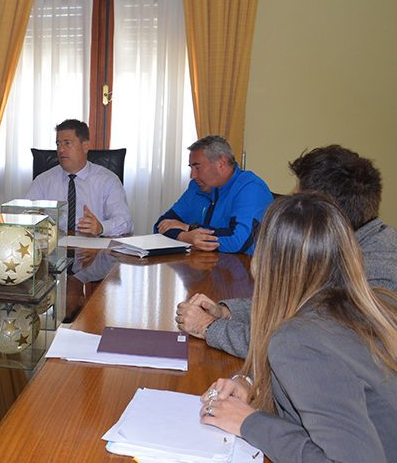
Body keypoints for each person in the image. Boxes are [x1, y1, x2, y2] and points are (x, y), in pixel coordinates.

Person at [198, 193, 397, 462]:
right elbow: (333, 377)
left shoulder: (299, 340)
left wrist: (248, 422)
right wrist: (251, 382)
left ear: (268, 263)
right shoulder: (375, 306)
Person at [177, 145, 397, 358]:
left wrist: (209, 327)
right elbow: (293, 305)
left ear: (324, 212)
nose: (292, 203)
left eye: (299, 199)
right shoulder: (336, 244)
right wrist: (226, 312)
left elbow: (301, 347)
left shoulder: (381, 272)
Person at [155, 136, 272, 254]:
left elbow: (238, 241)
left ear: (221, 164)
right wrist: (184, 236)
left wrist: (189, 228)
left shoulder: (251, 188)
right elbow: (161, 225)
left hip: (245, 264)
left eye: (197, 167)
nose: (192, 175)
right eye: (191, 168)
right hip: (206, 261)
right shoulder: (196, 187)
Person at [26, 119, 132, 237]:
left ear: (85, 146)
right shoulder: (43, 181)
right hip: (54, 245)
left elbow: (125, 222)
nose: (61, 149)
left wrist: (101, 227)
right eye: (58, 144)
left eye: (67, 143)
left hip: (93, 246)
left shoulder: (108, 180)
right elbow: (26, 216)